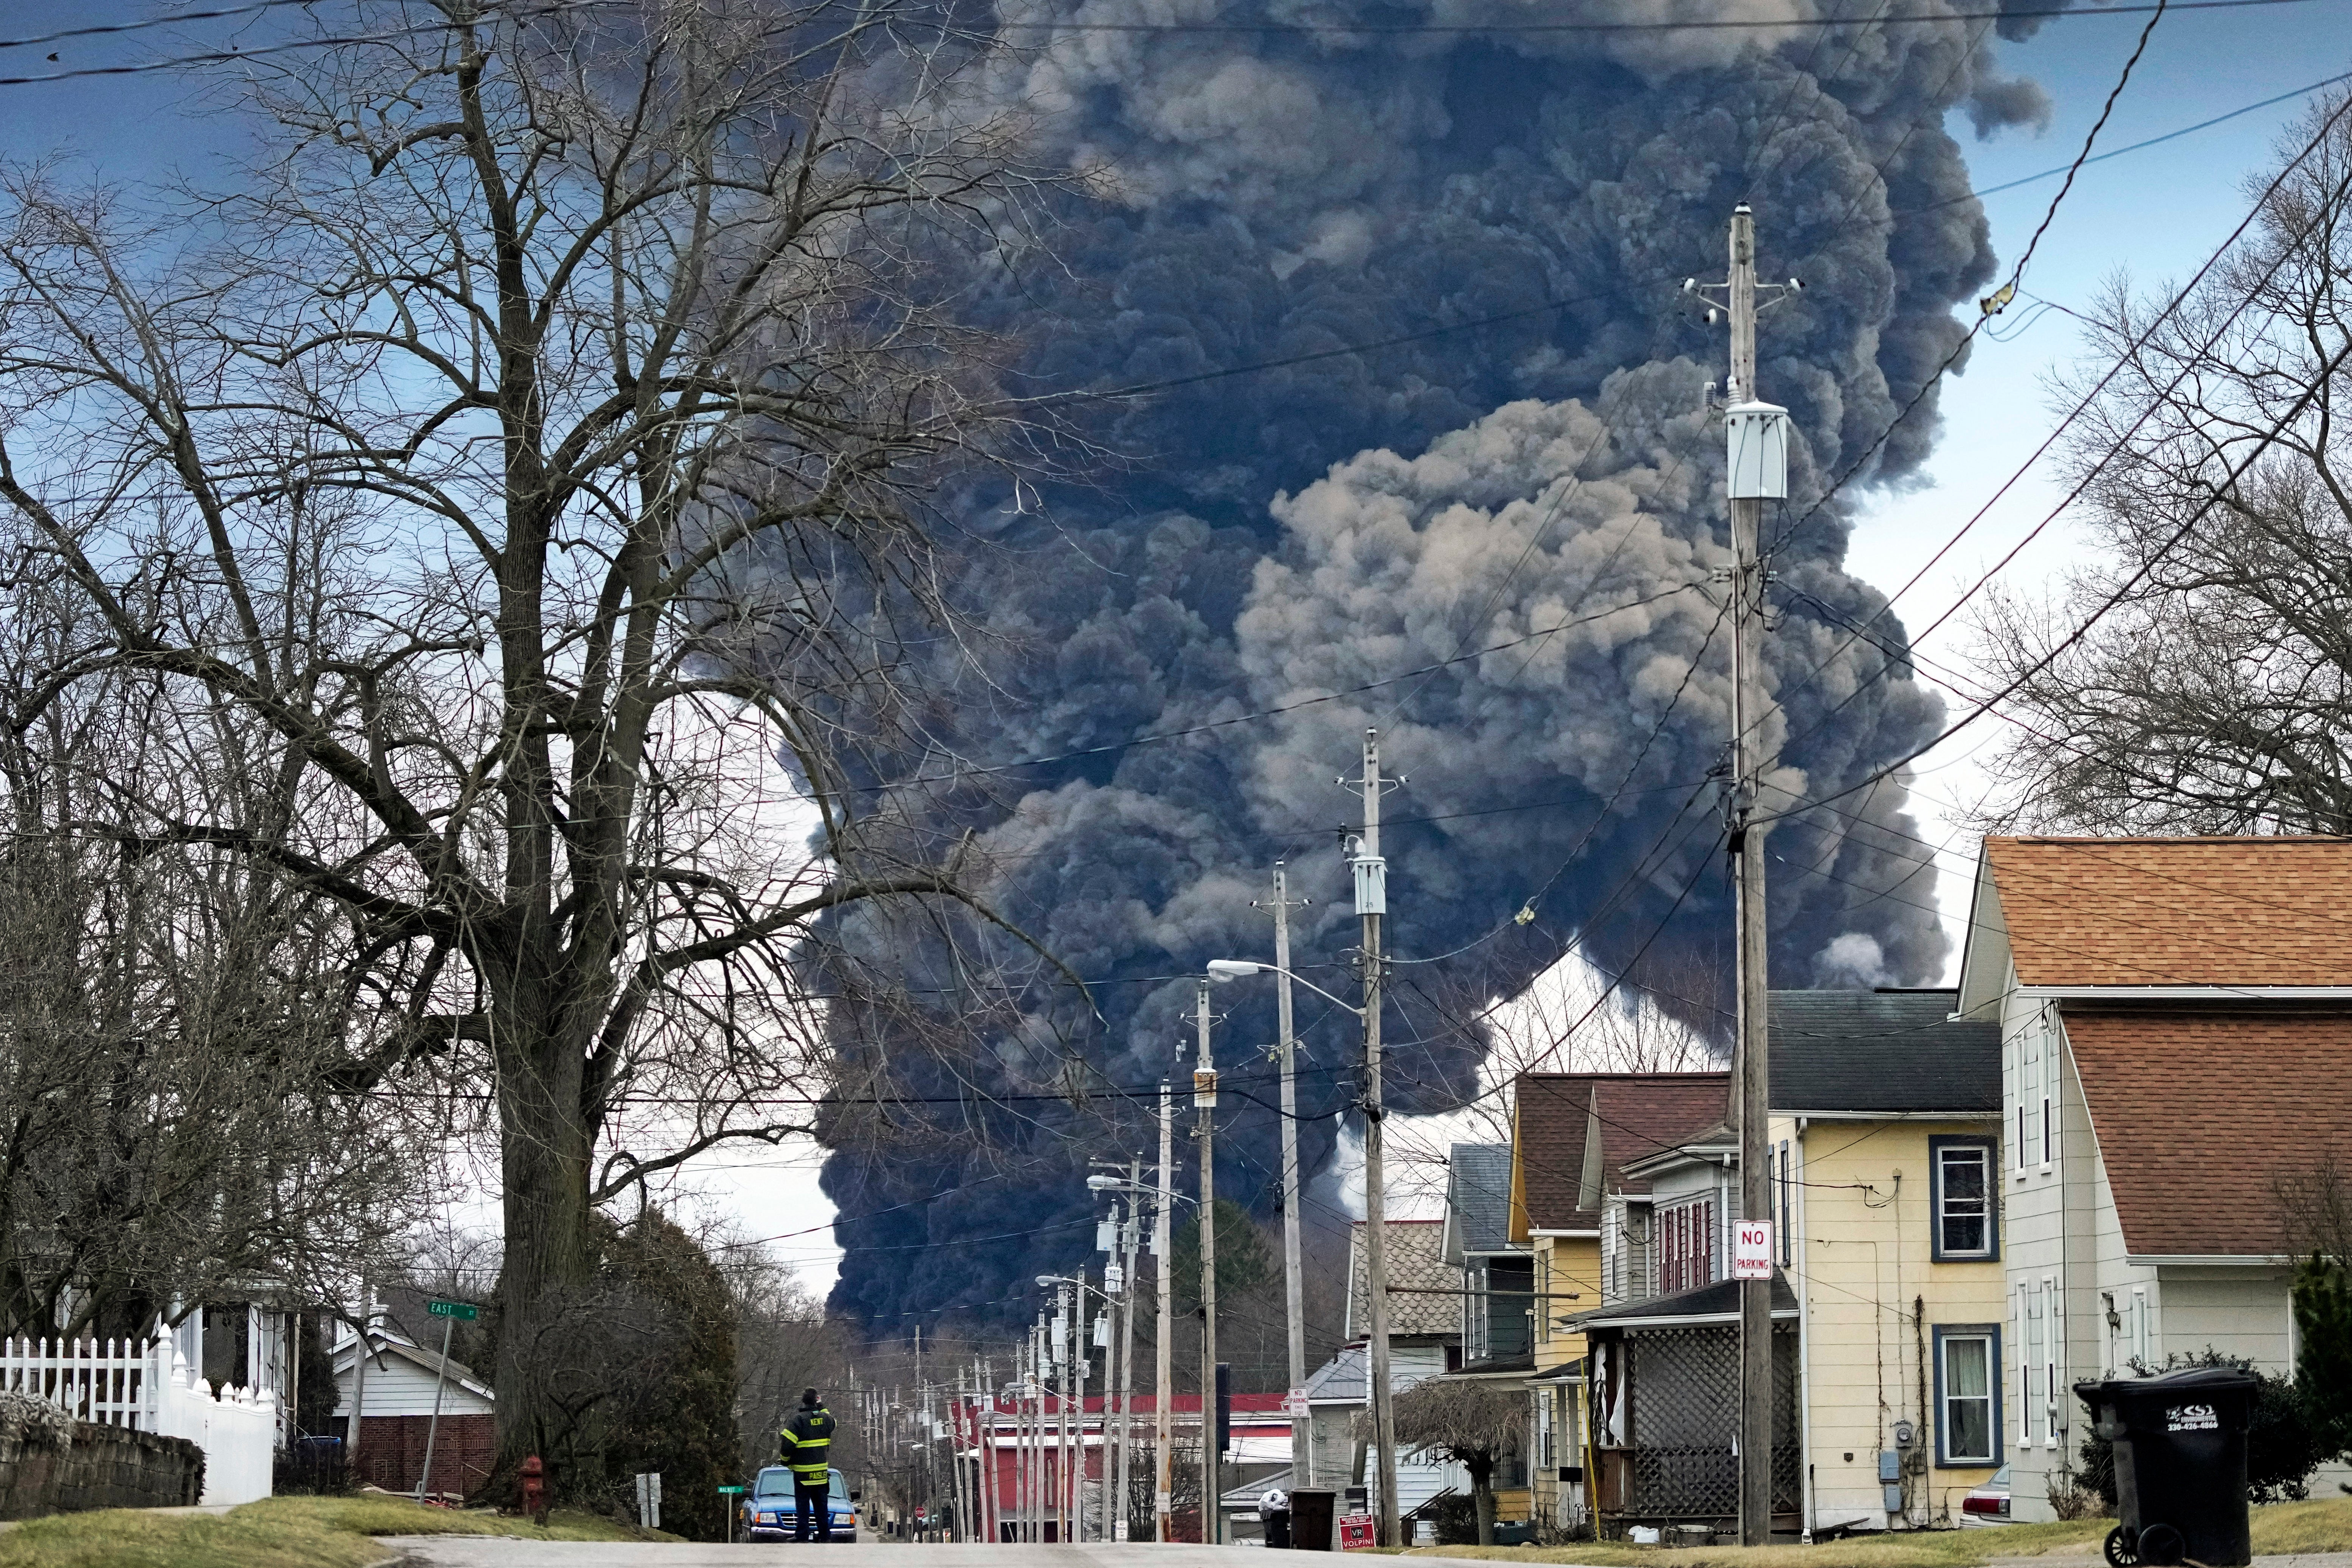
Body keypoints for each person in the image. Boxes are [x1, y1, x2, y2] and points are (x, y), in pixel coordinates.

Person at [778, 1388, 839, 1542]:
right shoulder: (826, 1420)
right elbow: (832, 1419)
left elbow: (787, 1446)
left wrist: (785, 1461)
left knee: (803, 1506)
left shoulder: (798, 1421)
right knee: (821, 1507)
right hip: (821, 1474)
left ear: (803, 1401)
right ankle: (825, 1536)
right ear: (816, 1401)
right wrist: (821, 1406)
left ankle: (802, 1535)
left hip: (803, 1474)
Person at [1261, 1485, 1292, 1549]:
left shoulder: (1277, 1505)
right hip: (1278, 1517)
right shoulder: (1275, 1504)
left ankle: (1278, 1543)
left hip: (1276, 1517)